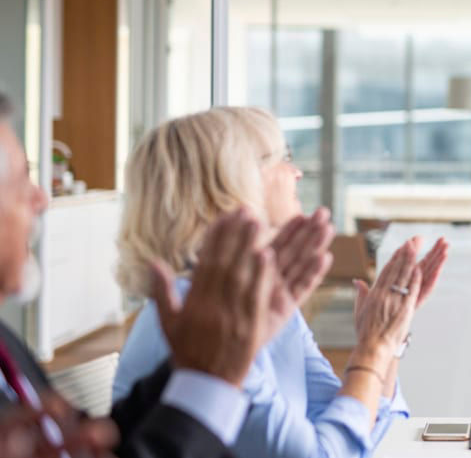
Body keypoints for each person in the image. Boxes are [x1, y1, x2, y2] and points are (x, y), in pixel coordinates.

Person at [0, 75, 330, 457]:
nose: (41, 199)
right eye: (22, 183)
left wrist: (198, 362)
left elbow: (104, 442)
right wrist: (210, 379)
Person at [112, 106, 448, 458]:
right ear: (232, 183)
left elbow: (352, 428)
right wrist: (373, 348)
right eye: (282, 157)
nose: (297, 172)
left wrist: (388, 338)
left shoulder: (256, 300)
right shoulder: (198, 320)